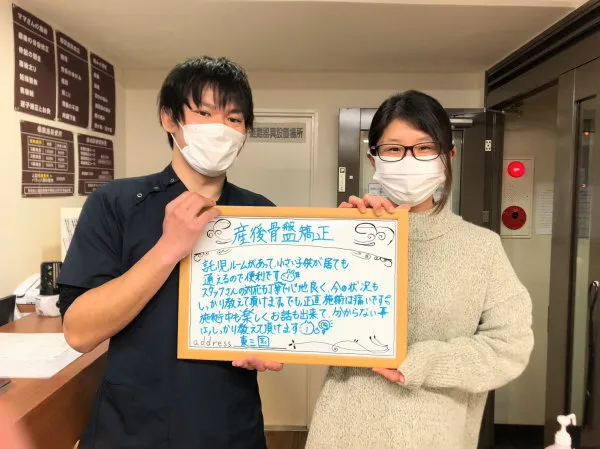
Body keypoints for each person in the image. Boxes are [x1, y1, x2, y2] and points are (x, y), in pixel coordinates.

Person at [57, 56, 283, 449]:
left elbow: (282, 317)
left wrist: (271, 344)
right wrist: (167, 249)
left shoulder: (260, 213)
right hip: (132, 427)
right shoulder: (115, 203)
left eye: (233, 118)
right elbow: (79, 332)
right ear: (169, 118)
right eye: (204, 113)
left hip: (229, 424)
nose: (220, 128)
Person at [306, 90, 534, 449]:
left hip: (435, 435)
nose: (409, 159)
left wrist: (421, 362)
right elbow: (306, 317)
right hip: (341, 432)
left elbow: (510, 347)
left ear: (448, 156)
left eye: (425, 148)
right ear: (373, 159)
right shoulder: (347, 233)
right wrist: (341, 243)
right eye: (394, 149)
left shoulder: (481, 248)